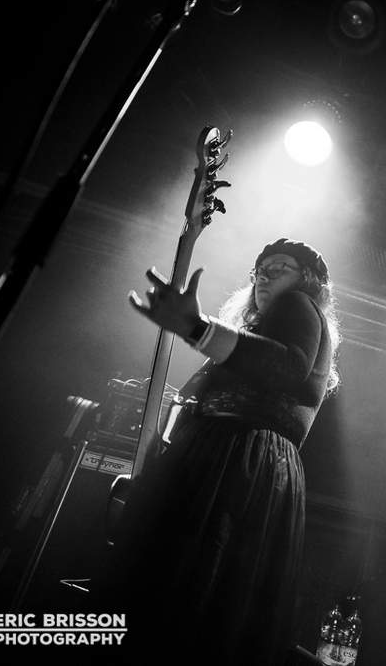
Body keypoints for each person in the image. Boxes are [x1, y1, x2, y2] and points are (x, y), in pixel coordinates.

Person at [112, 238, 340, 664]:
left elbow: (289, 366)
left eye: (282, 266)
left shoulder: (297, 305)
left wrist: (199, 328)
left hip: (241, 459)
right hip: (241, 457)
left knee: (190, 591)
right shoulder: (260, 332)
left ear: (306, 280)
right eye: (261, 268)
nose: (266, 275)